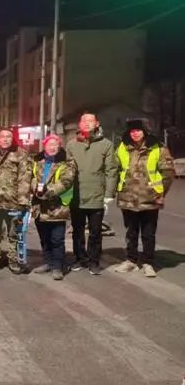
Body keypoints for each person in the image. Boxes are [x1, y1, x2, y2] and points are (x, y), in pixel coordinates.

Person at [113, 119, 175, 277]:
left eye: (138, 130)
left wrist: (160, 193)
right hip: (128, 197)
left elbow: (168, 172)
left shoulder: (158, 147)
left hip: (150, 198)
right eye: (132, 131)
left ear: (145, 131)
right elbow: (115, 169)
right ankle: (131, 260)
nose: (135, 133)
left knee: (148, 233)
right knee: (131, 232)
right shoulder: (122, 147)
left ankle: (148, 262)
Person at [66, 112, 118, 275]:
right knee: (77, 231)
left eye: (91, 121)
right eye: (84, 121)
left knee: (95, 232)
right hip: (77, 195)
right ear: (79, 124)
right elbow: (66, 171)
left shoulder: (106, 144)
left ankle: (94, 261)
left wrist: (109, 194)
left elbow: (111, 170)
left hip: (97, 195)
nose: (87, 123)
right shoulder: (71, 145)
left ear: (97, 124)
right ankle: (79, 258)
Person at [0, 128, 32, 274]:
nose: (5, 139)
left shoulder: (21, 153)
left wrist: (23, 201)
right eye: (2, 137)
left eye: (8, 137)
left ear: (13, 138)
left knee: (14, 234)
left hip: (13, 202)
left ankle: (13, 260)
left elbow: (25, 178)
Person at [30, 135, 76, 280]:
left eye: (55, 144)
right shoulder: (37, 161)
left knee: (57, 239)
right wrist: (35, 188)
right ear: (44, 146)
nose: (52, 147)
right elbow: (32, 178)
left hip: (57, 207)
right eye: (49, 144)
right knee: (44, 238)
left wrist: (48, 191)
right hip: (40, 207)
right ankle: (48, 262)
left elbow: (66, 182)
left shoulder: (66, 162)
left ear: (59, 146)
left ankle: (57, 266)